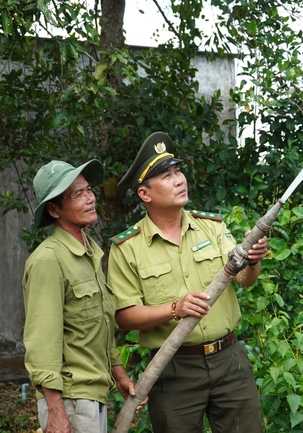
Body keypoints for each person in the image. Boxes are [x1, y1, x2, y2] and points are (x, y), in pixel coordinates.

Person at [108, 132, 268, 432]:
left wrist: (253, 259)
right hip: (172, 368)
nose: (179, 180)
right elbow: (125, 317)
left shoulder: (212, 227)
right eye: (167, 177)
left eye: (178, 171)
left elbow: (245, 279)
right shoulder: (127, 247)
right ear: (145, 194)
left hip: (228, 359)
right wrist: (174, 308)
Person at [23, 159, 145, 433]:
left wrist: (119, 373)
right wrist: (56, 411)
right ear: (54, 209)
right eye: (78, 194)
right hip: (70, 400)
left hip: (92, 397)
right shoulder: (48, 259)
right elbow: (42, 342)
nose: (91, 199)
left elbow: (99, 326)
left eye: (88, 190)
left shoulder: (89, 252)